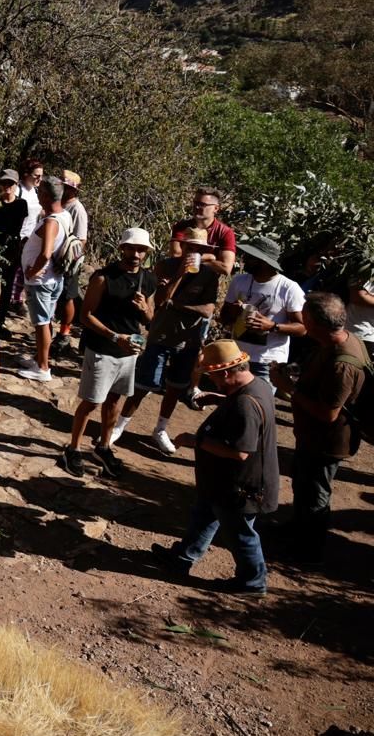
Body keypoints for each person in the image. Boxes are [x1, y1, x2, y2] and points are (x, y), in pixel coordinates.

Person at [150, 341, 278, 596]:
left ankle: (252, 583)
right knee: (205, 515)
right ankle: (183, 558)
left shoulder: (245, 404)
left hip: (241, 487)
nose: (214, 382)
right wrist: (220, 399)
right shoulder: (258, 386)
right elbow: (240, 405)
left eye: (214, 377)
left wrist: (194, 440)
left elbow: (240, 451)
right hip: (222, 483)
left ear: (228, 373)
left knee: (241, 534)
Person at [115, 226, 224, 455]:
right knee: (144, 384)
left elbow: (207, 310)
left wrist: (178, 305)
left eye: (199, 249)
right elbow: (162, 300)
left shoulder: (210, 274)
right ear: (182, 247)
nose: (193, 252)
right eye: (190, 247)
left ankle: (161, 428)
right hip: (162, 334)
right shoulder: (166, 266)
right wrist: (180, 275)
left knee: (176, 386)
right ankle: (120, 425)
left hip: (189, 339)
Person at [62, 228, 156, 479]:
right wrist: (116, 337)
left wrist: (145, 308)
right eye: (131, 248)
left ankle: (103, 446)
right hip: (103, 348)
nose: (135, 254)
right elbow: (85, 316)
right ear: (121, 248)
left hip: (129, 351)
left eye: (141, 249)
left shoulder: (148, 279)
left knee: (115, 400)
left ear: (147, 253)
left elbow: (150, 318)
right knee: (92, 401)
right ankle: (73, 449)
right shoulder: (104, 278)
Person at [284, 293, 366, 563]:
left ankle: (308, 552)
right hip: (312, 436)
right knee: (303, 485)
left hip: (327, 442)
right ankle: (297, 532)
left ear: (314, 321)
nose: (301, 318)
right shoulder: (334, 342)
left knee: (316, 494)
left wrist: (290, 390)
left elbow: (327, 413)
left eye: (305, 316)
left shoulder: (343, 363)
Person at [220, 236, 305, 382]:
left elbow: (302, 328)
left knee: (260, 403)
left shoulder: (288, 288)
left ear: (264, 262)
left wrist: (272, 326)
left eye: (250, 257)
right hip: (238, 356)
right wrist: (231, 313)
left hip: (267, 361)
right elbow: (224, 317)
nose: (244, 259)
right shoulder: (239, 281)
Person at [16, 177, 67, 383]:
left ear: (46, 196)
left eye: (40, 193)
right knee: (46, 321)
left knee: (41, 323)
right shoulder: (64, 216)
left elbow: (45, 253)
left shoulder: (52, 222)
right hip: (53, 278)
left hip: (41, 281)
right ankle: (39, 359)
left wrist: (31, 272)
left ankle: (43, 368)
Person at [0, 169, 30, 327]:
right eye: (4, 183)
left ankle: (1, 320)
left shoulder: (21, 204)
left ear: (16, 184)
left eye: (10, 183)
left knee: (7, 285)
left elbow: (16, 226)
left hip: (12, 249)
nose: (7, 186)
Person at [55, 171, 89, 344]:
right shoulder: (60, 204)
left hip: (69, 260)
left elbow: (81, 240)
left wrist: (69, 261)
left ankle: (65, 332)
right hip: (55, 258)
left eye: (67, 187)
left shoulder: (77, 209)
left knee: (68, 296)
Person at [173, 187, 237, 276]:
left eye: (202, 204)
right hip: (179, 278)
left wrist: (197, 260)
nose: (197, 207)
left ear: (216, 208)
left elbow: (226, 268)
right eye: (195, 203)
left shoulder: (225, 232)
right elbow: (175, 255)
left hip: (206, 284)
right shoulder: (181, 227)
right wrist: (210, 257)